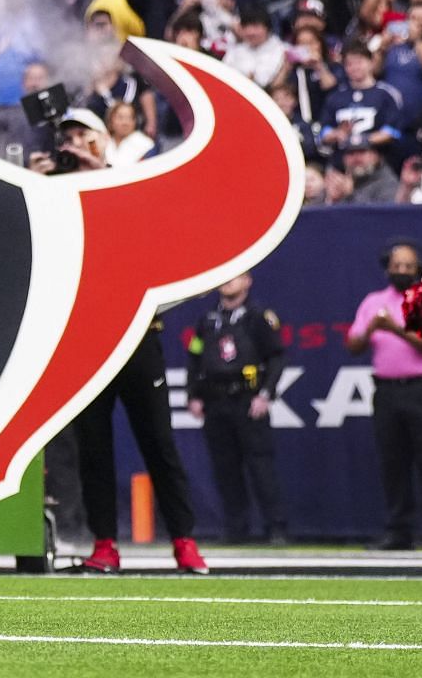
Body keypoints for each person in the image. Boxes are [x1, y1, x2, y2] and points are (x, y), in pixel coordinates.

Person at [38, 107, 209, 575]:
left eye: (82, 135)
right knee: (93, 446)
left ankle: (184, 540)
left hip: (135, 333)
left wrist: (101, 175)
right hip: (87, 337)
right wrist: (31, 186)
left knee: (158, 442)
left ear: (101, 140)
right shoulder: (51, 189)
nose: (73, 143)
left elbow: (148, 228)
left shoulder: (127, 180)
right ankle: (105, 543)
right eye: (66, 136)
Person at [345, 240, 422, 550]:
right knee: (393, 464)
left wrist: (394, 327)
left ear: (418, 268)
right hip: (387, 391)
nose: (402, 271)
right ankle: (399, 531)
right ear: (387, 269)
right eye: (397, 266)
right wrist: (372, 329)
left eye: (408, 266)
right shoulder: (373, 301)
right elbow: (353, 345)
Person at [186, 273, 288, 545]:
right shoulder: (208, 320)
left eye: (236, 277)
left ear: (248, 281)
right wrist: (194, 395)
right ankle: (236, 528)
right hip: (216, 401)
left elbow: (277, 358)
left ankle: (275, 526)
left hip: (248, 399)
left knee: (261, 466)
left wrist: (265, 394)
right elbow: (195, 357)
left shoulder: (258, 317)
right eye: (225, 277)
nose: (228, 282)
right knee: (225, 469)